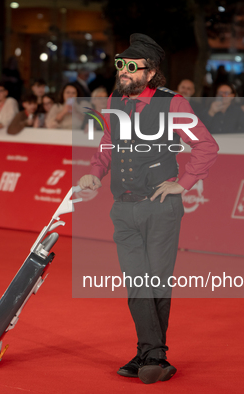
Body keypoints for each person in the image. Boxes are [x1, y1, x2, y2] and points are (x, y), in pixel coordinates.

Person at [78, 33, 218, 385]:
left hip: (160, 209)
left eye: (130, 67)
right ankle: (153, 355)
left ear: (151, 72)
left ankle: (149, 354)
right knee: (137, 282)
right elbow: (108, 142)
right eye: (119, 65)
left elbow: (207, 147)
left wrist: (182, 184)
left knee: (156, 281)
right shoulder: (115, 100)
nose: (122, 72)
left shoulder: (173, 104)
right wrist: (95, 173)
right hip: (122, 209)